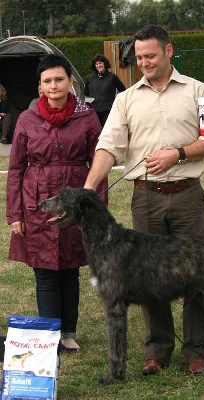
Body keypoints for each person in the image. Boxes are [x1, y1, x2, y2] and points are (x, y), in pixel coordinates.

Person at [84, 25, 204, 375]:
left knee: (196, 274)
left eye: (150, 56)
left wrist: (176, 154)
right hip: (145, 199)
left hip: (187, 195)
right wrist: (89, 187)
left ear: (169, 52)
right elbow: (107, 147)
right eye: (139, 57)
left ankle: (197, 351)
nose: (143, 62)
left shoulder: (199, 90)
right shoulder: (125, 98)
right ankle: (157, 350)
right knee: (148, 277)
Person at [6, 54, 108, 352]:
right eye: (47, 81)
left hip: (75, 199)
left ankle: (69, 332)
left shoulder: (87, 116)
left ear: (70, 82)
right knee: (44, 271)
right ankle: (50, 338)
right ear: (39, 86)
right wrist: (15, 213)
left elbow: (99, 162)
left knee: (70, 269)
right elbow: (15, 169)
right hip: (36, 201)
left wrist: (96, 208)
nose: (54, 86)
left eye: (59, 79)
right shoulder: (26, 119)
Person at [84, 54, 126, 126]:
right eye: (96, 64)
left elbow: (123, 90)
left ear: (104, 64)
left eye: (100, 63)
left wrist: (117, 102)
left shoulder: (112, 77)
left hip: (108, 111)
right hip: (95, 111)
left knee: (108, 132)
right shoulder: (90, 78)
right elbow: (86, 92)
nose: (98, 65)